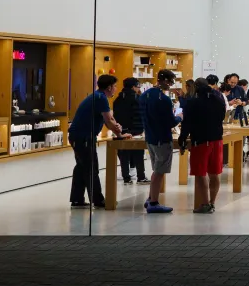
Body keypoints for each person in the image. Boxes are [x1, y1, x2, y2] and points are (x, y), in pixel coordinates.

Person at [67, 74, 124, 208]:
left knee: (82, 167)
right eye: (115, 86)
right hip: (83, 137)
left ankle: (77, 199)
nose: (115, 89)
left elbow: (110, 119)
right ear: (109, 87)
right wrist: (120, 134)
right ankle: (98, 200)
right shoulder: (100, 98)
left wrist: (118, 130)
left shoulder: (98, 96)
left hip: (79, 136)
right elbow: (109, 121)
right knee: (91, 168)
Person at [179, 78, 226, 214]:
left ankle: (204, 203)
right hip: (217, 140)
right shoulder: (218, 100)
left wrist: (183, 139)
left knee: (200, 173)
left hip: (200, 141)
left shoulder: (193, 102)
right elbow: (222, 117)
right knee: (214, 173)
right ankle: (212, 203)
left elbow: (187, 123)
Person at [138, 69, 181, 214]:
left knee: (156, 169)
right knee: (159, 171)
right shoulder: (164, 99)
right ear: (166, 81)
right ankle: (154, 202)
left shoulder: (144, 95)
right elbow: (170, 122)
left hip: (150, 137)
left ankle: (151, 197)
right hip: (162, 138)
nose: (170, 85)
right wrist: (180, 117)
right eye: (170, 82)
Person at [112, 77, 149, 185]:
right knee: (138, 153)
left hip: (122, 130)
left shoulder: (118, 99)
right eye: (138, 87)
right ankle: (140, 176)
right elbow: (141, 114)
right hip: (136, 130)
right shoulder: (138, 98)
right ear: (133, 87)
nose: (138, 89)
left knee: (124, 154)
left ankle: (126, 178)